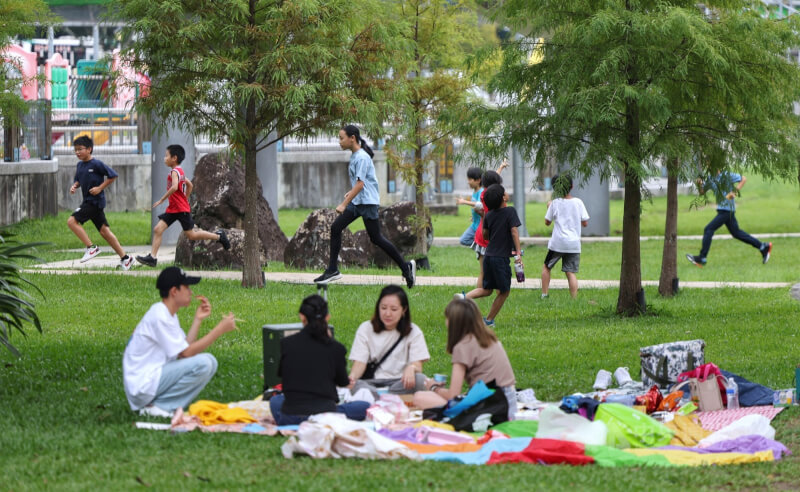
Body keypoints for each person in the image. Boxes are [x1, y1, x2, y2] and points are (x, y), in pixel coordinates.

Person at [123, 267, 237, 418]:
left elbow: (184, 349)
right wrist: (219, 330)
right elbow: (186, 353)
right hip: (142, 384)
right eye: (187, 287)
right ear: (174, 291)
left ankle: (160, 406)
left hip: (150, 379)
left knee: (209, 363)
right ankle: (160, 407)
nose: (190, 292)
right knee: (206, 362)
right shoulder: (160, 315)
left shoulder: (167, 314)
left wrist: (198, 319)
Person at [314, 125, 416, 288]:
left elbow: (361, 184)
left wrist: (343, 204)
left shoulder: (361, 157)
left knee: (376, 238)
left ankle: (406, 267)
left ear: (352, 138)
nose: (339, 142)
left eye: (341, 138)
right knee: (336, 228)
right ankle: (333, 269)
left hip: (367, 203)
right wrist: (350, 193)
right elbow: (361, 182)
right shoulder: (356, 156)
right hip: (359, 201)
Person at [269, 295, 371, 425]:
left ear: (302, 316)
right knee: (364, 406)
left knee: (275, 401)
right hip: (325, 414)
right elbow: (342, 382)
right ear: (327, 317)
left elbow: (283, 375)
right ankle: (314, 420)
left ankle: (303, 420)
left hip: (291, 415)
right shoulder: (336, 348)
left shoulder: (287, 343)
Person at [413, 298, 516, 420]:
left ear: (454, 322)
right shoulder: (489, 338)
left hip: (490, 408)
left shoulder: (463, 346)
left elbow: (453, 395)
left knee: (420, 397)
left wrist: (434, 387)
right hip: (509, 402)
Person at [137, 144, 230, 267]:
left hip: (180, 210)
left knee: (192, 235)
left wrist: (162, 200)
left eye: (166, 156)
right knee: (158, 229)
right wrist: (184, 199)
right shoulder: (179, 171)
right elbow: (190, 185)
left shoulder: (175, 172)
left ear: (174, 158)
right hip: (174, 209)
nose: (164, 158)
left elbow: (175, 187)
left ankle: (219, 236)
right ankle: (152, 258)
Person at [348, 285, 430, 397]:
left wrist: (411, 368)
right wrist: (352, 378)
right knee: (357, 386)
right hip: (372, 383)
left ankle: (380, 399)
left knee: (421, 380)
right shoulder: (366, 328)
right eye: (383, 308)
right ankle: (387, 399)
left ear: (404, 310)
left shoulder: (413, 331)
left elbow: (418, 365)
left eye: (394, 309)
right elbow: (359, 363)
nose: (387, 314)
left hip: (401, 383)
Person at [459, 184, 522, 327]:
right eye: (505, 191)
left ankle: (463, 298)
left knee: (487, 290)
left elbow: (485, 236)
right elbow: (514, 231)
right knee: (504, 292)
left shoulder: (489, 215)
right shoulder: (510, 211)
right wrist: (518, 253)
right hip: (500, 259)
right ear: (503, 198)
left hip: (488, 256)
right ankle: (488, 320)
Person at [67, 135, 133, 270]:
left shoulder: (97, 164)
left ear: (89, 149)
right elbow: (79, 179)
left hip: (94, 202)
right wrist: (75, 186)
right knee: (105, 231)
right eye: (76, 150)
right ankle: (125, 259)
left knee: (72, 221)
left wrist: (99, 188)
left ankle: (91, 248)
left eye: (80, 149)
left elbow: (113, 175)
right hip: (88, 201)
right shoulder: (80, 165)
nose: (77, 152)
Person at [686, 170, 772, 267]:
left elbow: (743, 179)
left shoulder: (727, 175)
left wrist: (734, 192)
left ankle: (702, 257)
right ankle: (763, 247)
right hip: (723, 210)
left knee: (709, 229)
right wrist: (699, 184)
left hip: (727, 211)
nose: (709, 166)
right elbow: (702, 192)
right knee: (736, 233)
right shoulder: (711, 178)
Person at [541, 174, 589, 299]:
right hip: (573, 244)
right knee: (570, 272)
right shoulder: (578, 202)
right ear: (572, 186)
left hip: (557, 243)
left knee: (546, 267)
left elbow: (547, 222)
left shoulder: (554, 203)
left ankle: (544, 294)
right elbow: (585, 223)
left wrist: (549, 207)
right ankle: (574, 298)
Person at [456, 167, 484, 247]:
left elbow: (479, 204)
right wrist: (474, 216)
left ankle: (483, 247)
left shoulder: (481, 191)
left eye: (470, 179)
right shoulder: (474, 192)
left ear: (478, 180)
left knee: (464, 240)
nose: (468, 182)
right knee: (463, 240)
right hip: (475, 224)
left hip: (480, 226)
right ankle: (481, 247)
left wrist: (464, 201)